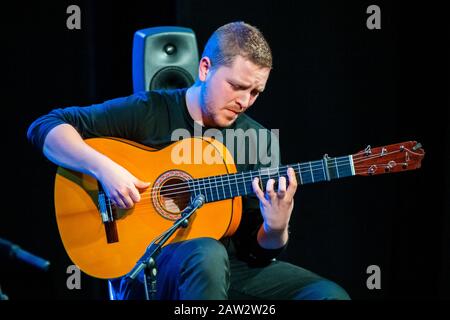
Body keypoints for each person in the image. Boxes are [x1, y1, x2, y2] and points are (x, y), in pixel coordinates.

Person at [27, 21, 350, 300]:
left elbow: (256, 250)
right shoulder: (148, 111)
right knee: (206, 252)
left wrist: (276, 227)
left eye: (255, 93)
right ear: (205, 68)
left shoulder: (259, 140)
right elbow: (46, 127)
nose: (244, 101)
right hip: (150, 267)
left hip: (228, 268)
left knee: (328, 295)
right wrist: (104, 169)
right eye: (237, 86)